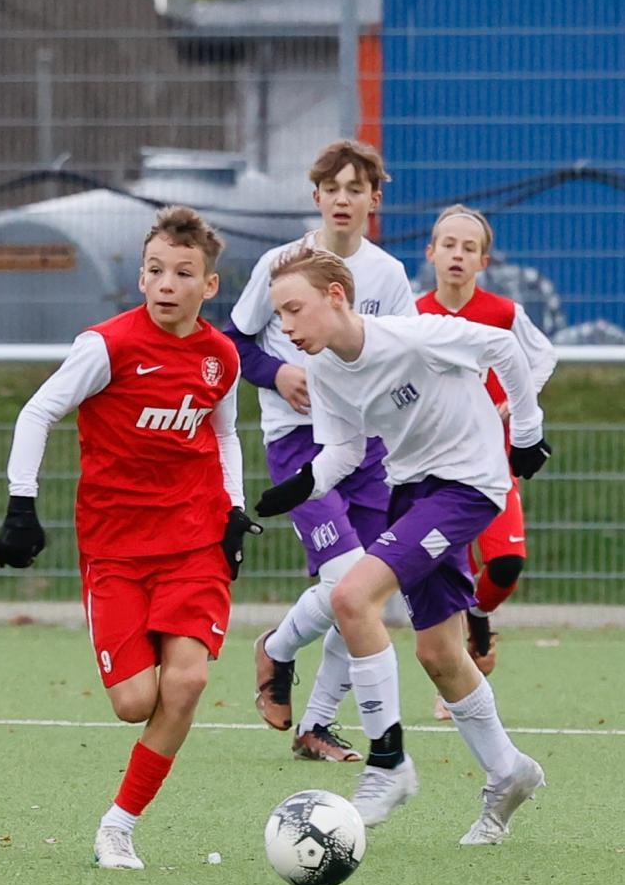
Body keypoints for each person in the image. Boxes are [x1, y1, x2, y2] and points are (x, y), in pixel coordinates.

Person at [0, 205, 262, 870]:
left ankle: (119, 826)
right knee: (134, 702)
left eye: (183, 273)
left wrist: (233, 509)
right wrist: (21, 504)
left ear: (209, 285)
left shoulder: (220, 357)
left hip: (194, 541)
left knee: (187, 681)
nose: (168, 283)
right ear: (140, 278)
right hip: (114, 548)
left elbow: (225, 434)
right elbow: (37, 412)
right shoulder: (106, 347)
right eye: (156, 270)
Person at [256, 245, 551, 844]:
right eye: (278, 314)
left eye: (293, 309)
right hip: (411, 492)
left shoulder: (413, 336)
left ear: (335, 296)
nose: (284, 326)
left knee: (352, 597)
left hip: (468, 486)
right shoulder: (323, 369)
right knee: (438, 654)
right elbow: (343, 451)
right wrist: (297, 488)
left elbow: (503, 347)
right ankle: (509, 770)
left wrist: (526, 433)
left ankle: (388, 762)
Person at [226, 138, 415, 762]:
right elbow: (235, 343)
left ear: (374, 199)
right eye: (331, 188)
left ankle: (316, 724)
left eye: (355, 189)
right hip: (298, 443)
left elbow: (404, 352)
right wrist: (277, 373)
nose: (342, 199)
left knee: (362, 591)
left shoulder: (388, 275)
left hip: (369, 447)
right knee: (346, 580)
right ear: (315, 196)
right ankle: (277, 649)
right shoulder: (280, 263)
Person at [417, 204, 558, 719]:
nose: (457, 255)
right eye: (448, 245)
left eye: (469, 247)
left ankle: (478, 617)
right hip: (434, 469)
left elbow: (543, 357)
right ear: (431, 253)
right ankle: (455, 684)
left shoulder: (502, 313)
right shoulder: (412, 315)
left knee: (505, 566)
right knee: (447, 573)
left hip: (493, 465)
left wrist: (517, 401)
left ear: (483, 261)